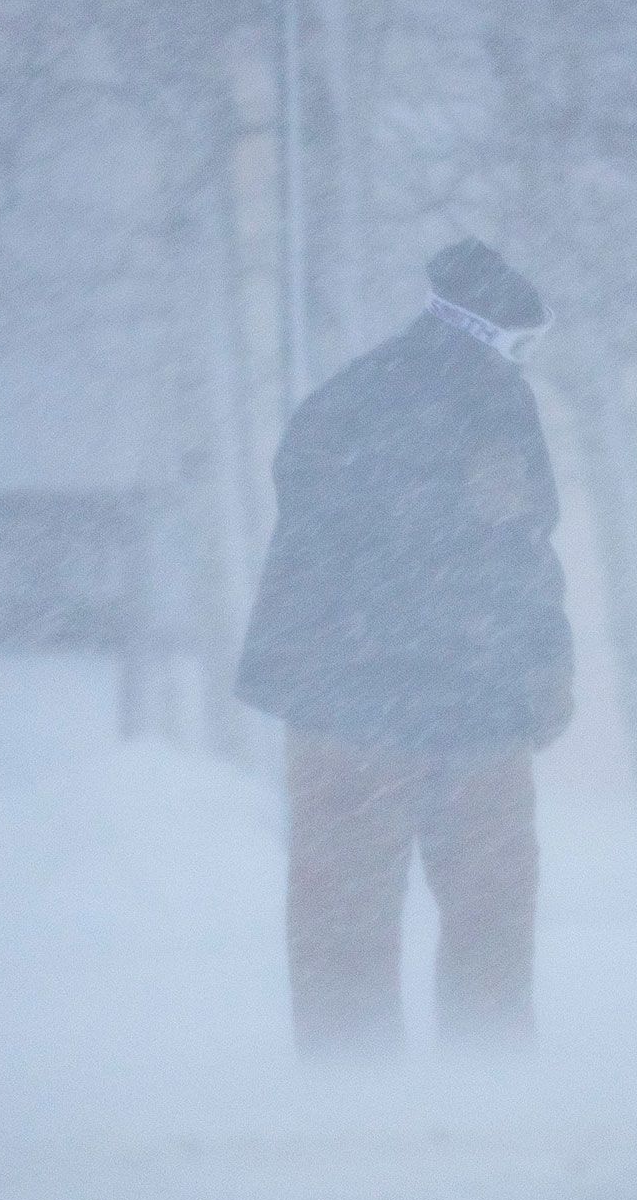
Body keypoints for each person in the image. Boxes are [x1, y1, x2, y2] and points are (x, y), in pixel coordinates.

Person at [235, 239, 574, 1057]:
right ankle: (488, 1085)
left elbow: (313, 546)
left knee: (341, 919)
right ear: (502, 335)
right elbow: (523, 547)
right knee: (489, 914)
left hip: (346, 707)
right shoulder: (497, 404)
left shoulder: (342, 401)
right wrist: (542, 668)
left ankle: (349, 1098)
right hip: (473, 704)